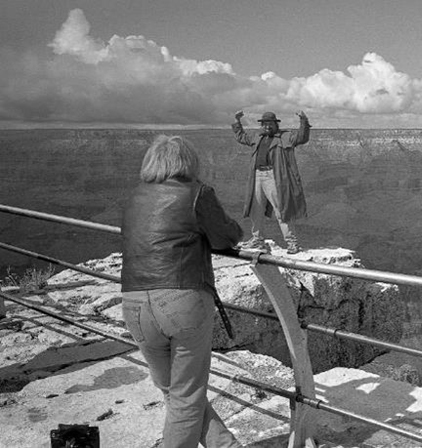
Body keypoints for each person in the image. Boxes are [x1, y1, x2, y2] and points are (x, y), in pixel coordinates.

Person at [120, 135, 244, 448]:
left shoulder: (134, 195)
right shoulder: (197, 193)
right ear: (187, 163)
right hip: (181, 301)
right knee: (186, 397)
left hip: (134, 303)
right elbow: (226, 237)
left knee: (177, 393)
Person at [232, 110, 311, 254]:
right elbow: (242, 137)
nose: (267, 126)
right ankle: (257, 239)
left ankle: (292, 243)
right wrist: (237, 122)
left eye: (270, 123)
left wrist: (303, 121)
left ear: (275, 124)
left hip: (274, 177)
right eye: (265, 123)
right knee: (256, 209)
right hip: (257, 175)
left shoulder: (285, 136)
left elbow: (302, 137)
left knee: (282, 210)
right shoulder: (258, 136)